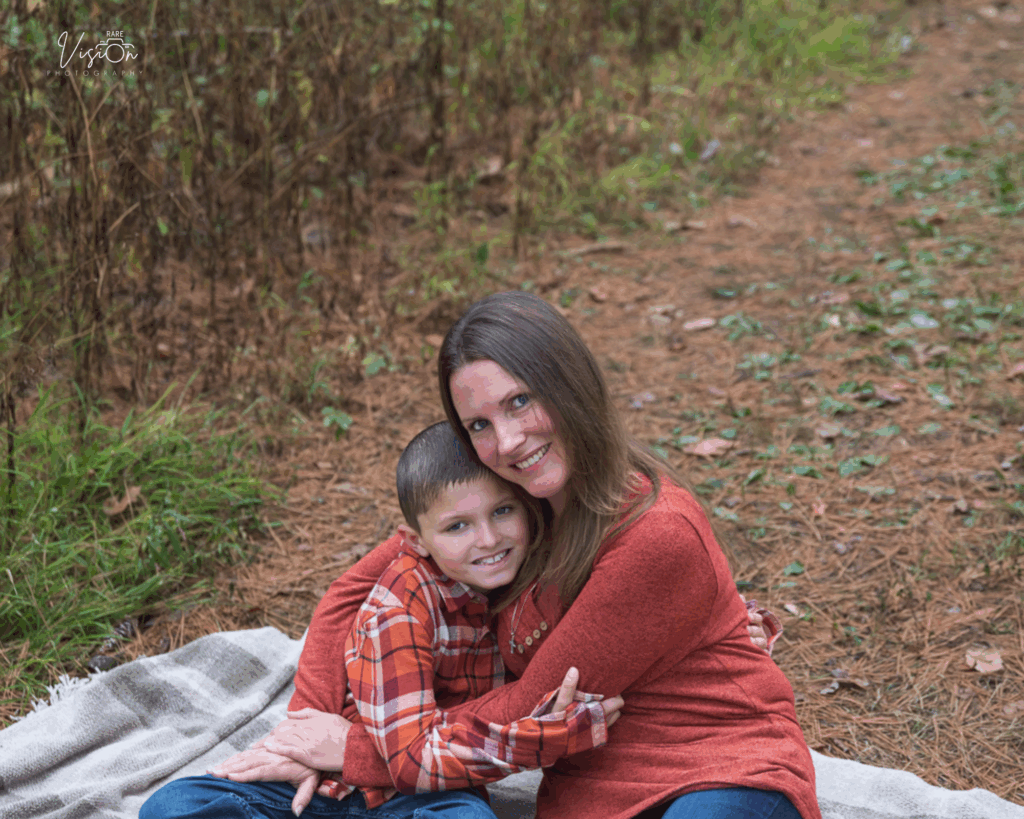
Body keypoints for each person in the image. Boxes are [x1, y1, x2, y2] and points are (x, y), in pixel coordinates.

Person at [215, 290, 813, 819]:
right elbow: (348, 595)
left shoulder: (654, 534)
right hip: (589, 789)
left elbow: (534, 708)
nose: (505, 441)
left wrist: (356, 751)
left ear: (570, 385)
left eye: (521, 401)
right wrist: (301, 738)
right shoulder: (509, 507)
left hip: (721, 767)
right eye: (478, 424)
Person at [140, 421, 623, 819]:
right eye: (457, 526)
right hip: (340, 785)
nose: (488, 538)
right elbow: (410, 755)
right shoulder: (402, 604)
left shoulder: (529, 586)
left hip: (429, 794)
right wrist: (550, 740)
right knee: (175, 806)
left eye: (503, 511)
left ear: (529, 510)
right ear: (414, 541)